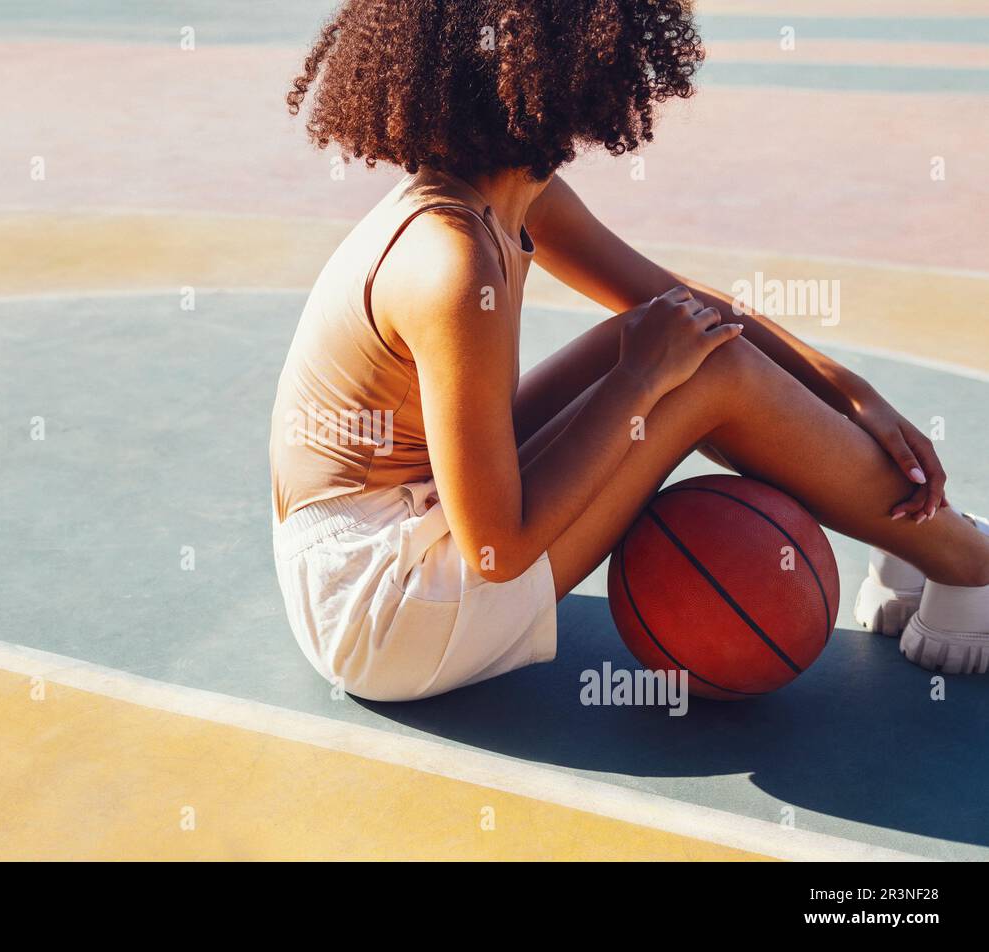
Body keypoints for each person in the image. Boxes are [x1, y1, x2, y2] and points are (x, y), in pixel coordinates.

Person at [268, 0, 989, 702]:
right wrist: (639, 382)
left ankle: (906, 530)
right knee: (700, 371)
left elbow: (673, 299)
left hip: (389, 533)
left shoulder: (505, 194)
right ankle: (968, 563)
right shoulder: (450, 264)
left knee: (670, 331)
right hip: (380, 610)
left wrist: (852, 395)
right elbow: (500, 548)